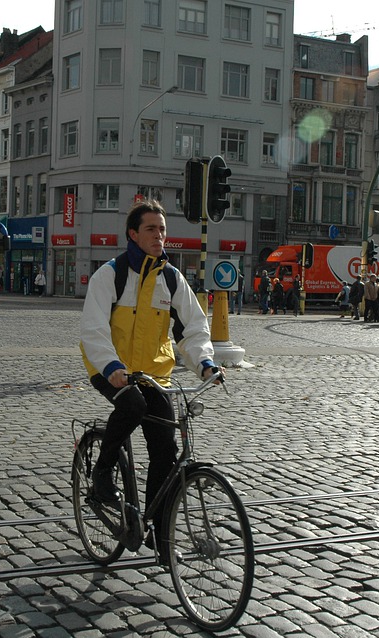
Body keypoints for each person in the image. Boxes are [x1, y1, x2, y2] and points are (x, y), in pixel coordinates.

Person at [80, 199, 222, 535]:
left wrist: (204, 363)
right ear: (133, 233)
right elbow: (93, 328)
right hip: (110, 367)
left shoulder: (170, 279)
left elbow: (194, 327)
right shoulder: (110, 275)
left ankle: (159, 532)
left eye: (162, 229)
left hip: (155, 375)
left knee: (164, 451)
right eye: (151, 229)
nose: (159, 235)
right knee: (132, 404)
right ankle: (102, 473)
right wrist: (111, 365)